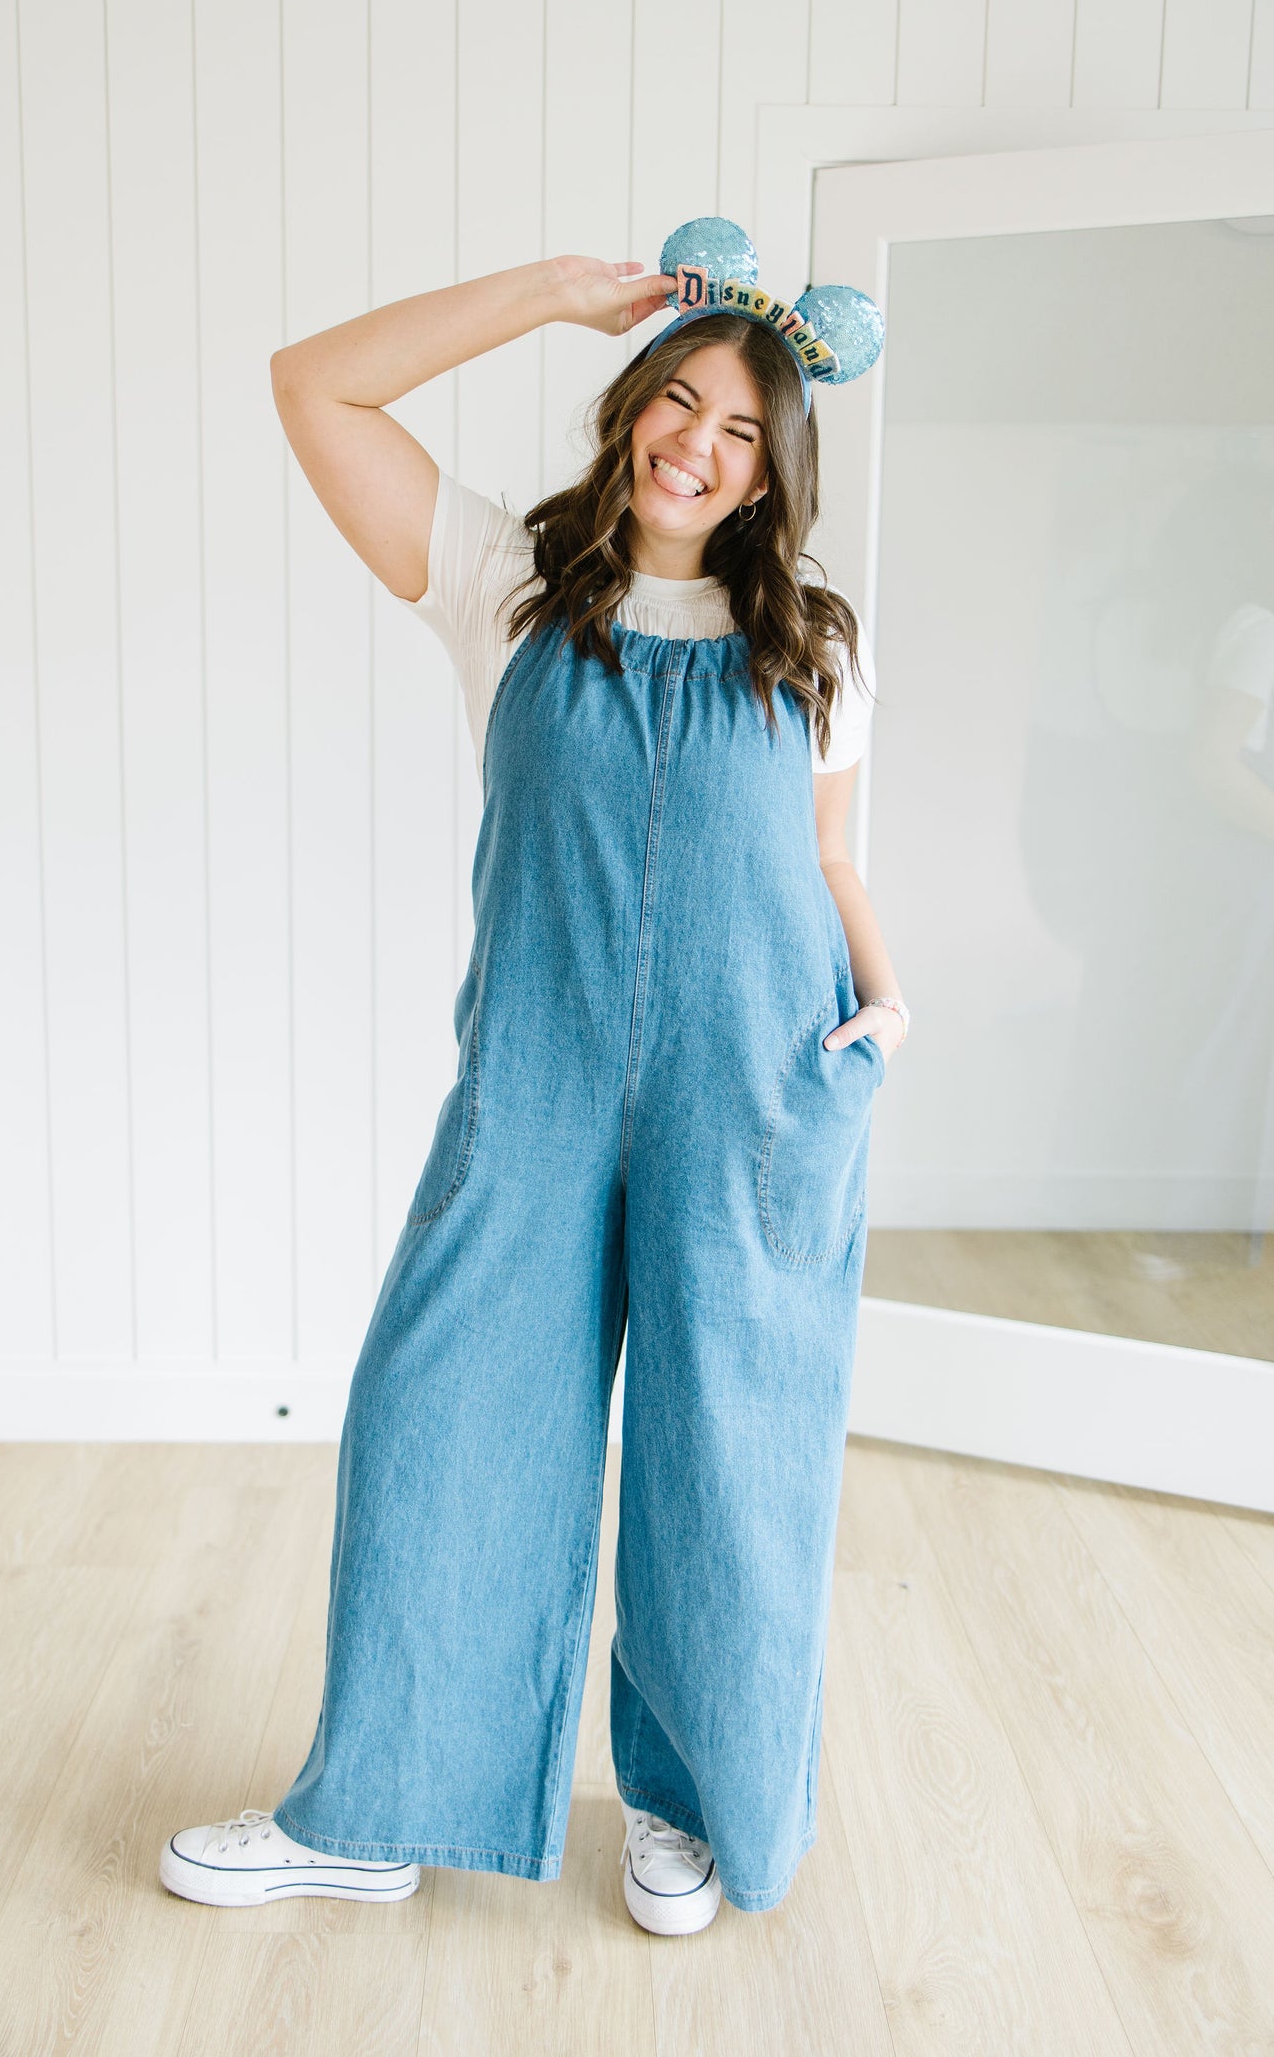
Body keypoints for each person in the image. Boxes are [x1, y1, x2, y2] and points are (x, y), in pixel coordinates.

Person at [160, 222, 910, 1937]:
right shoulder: (505, 580)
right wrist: (556, 295)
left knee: (732, 1459)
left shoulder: (815, 641)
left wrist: (883, 1016)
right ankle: (374, 1807)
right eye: (678, 401)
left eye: (738, 430)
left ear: (770, 469)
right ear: (632, 399)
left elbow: (831, 860)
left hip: (761, 1093)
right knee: (445, 1419)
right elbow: (314, 385)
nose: (696, 447)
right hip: (539, 1083)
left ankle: (693, 1810)